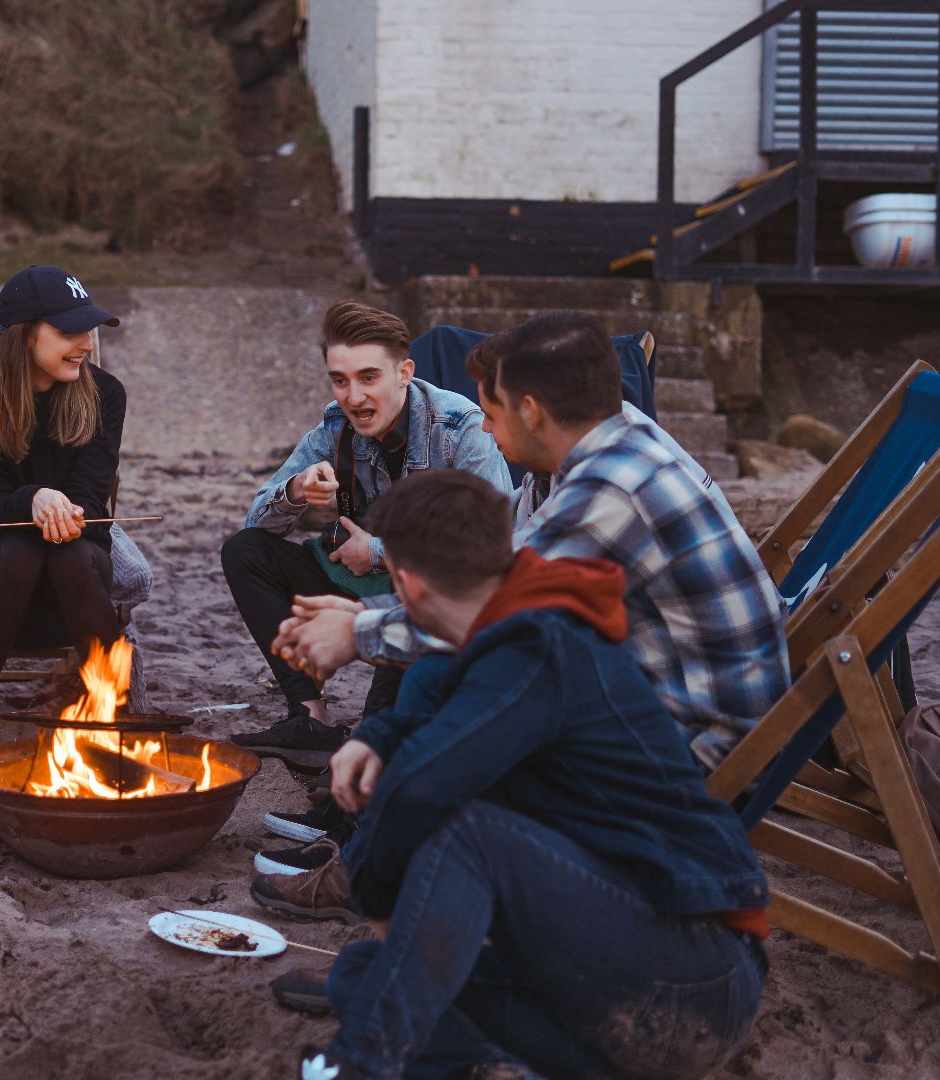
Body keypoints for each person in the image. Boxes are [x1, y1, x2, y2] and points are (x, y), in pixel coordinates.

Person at [256, 471, 768, 1079]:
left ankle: (358, 1066)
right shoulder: (493, 627)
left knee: (467, 835)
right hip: (608, 982)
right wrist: (373, 736)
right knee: (362, 976)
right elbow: (426, 695)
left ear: (407, 584)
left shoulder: (540, 644)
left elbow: (421, 789)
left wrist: (376, 898)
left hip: (694, 978)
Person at [275, 310, 788, 772]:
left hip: (701, 740)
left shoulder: (613, 487)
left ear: (532, 412)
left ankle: (367, 843)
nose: (487, 432)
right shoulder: (598, 442)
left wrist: (357, 632)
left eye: (491, 417)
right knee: (439, 674)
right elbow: (499, 566)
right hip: (650, 686)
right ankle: (358, 831)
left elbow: (497, 607)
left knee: (465, 698)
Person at [220, 299, 511, 769]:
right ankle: (309, 717)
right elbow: (258, 519)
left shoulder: (460, 427)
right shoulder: (335, 426)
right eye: (340, 380)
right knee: (246, 552)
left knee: (378, 730)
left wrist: (376, 551)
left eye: (368, 378)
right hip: (359, 581)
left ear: (404, 372)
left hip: (432, 595)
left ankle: (368, 761)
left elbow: (496, 543)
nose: (352, 397)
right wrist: (296, 490)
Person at [0, 266, 126, 768]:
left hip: (78, 559)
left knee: (65, 552)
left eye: (87, 331)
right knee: (22, 549)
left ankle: (111, 715)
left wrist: (64, 510)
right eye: (68, 332)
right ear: (24, 336)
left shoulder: (105, 395)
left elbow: (90, 492)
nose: (85, 344)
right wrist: (32, 498)